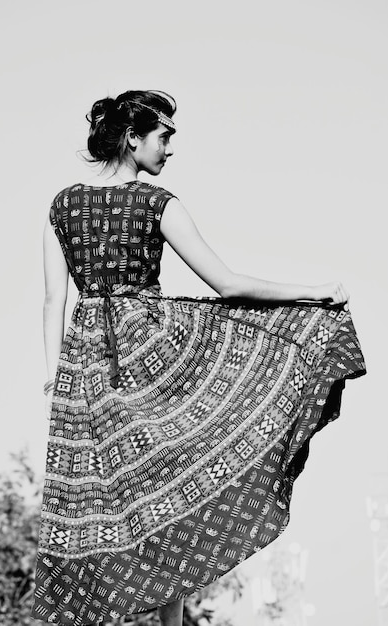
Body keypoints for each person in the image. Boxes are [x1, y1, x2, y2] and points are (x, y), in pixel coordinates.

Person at [32, 90, 365, 626]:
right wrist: (314, 292)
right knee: (169, 484)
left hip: (85, 368)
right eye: (163, 137)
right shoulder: (156, 202)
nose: (169, 149)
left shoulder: (61, 205)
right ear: (133, 138)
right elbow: (228, 283)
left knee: (105, 502)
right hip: (150, 353)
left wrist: (54, 379)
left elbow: (55, 300)